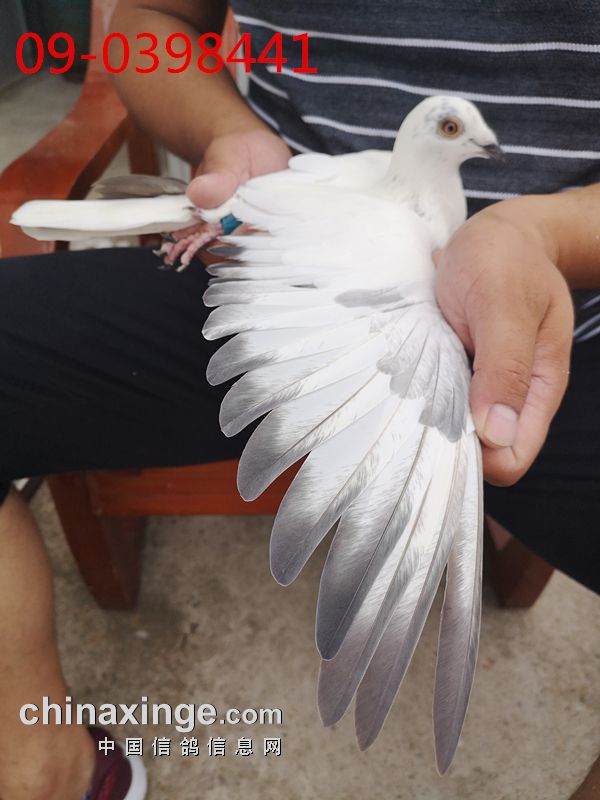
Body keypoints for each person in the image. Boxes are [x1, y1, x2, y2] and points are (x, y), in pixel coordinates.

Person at [0, 1, 598, 798]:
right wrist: (230, 134)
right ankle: (47, 769)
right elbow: (146, 19)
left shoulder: (419, 206)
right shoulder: (401, 229)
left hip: (568, 315)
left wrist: (545, 233)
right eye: (460, 131)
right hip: (276, 253)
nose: (486, 144)